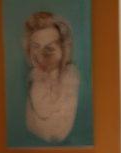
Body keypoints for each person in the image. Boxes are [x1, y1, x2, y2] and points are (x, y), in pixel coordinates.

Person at [24, 11, 80, 143]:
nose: (40, 55)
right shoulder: (34, 78)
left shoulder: (70, 79)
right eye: (35, 47)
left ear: (64, 49)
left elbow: (55, 130)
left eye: (49, 49)